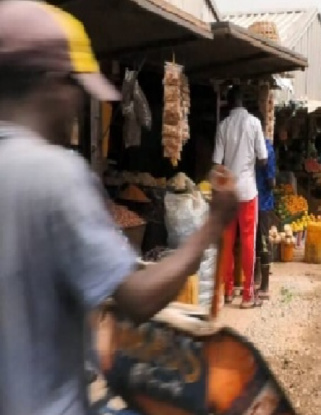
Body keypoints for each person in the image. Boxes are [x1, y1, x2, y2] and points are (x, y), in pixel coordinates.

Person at [0, 2, 240, 414]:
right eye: (77, 90)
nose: (77, 107)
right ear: (54, 82)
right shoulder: (56, 173)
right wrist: (212, 225)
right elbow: (136, 298)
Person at [213, 85, 268, 309]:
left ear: (229, 102)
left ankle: (226, 291)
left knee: (226, 242)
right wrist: (252, 160)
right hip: (247, 192)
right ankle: (247, 295)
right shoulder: (254, 123)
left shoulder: (223, 125)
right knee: (248, 242)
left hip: (228, 192)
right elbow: (263, 158)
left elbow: (217, 162)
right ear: (243, 100)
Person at [254, 117, 276, 301]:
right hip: (261, 202)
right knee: (260, 241)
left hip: (258, 202)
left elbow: (270, 181)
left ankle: (263, 283)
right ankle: (260, 281)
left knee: (259, 241)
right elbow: (271, 182)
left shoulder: (262, 149)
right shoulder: (266, 148)